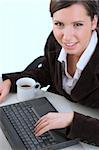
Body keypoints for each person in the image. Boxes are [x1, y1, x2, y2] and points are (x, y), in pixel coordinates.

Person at [0, 0, 99, 146]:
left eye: (77, 24)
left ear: (93, 22)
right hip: (56, 113)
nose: (66, 37)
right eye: (59, 24)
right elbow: (48, 71)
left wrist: (73, 121)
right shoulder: (55, 41)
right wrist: (11, 82)